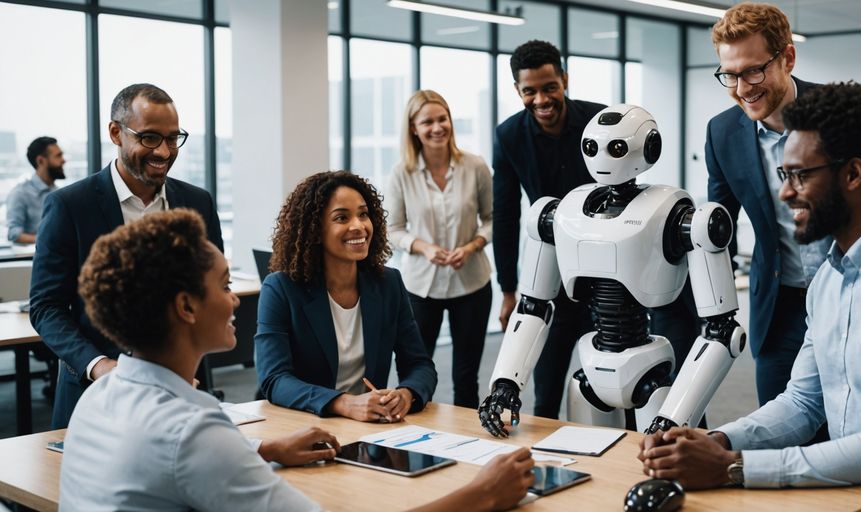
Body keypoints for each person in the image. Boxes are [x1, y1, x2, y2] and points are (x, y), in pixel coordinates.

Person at [638, 82, 861, 511]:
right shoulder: (828, 280)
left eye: (801, 176)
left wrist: (734, 467)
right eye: (785, 175)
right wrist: (718, 441)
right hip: (852, 494)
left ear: (853, 174)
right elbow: (803, 403)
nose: (785, 194)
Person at [62, 208, 536, 512]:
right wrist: (483, 494)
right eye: (225, 286)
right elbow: (192, 450)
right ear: (186, 308)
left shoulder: (102, 393)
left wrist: (263, 449)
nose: (234, 302)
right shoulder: (193, 432)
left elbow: (176, 463)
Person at [704, 3, 861, 406]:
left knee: (856, 428)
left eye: (753, 70)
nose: (742, 88)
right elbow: (718, 227)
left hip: (859, 297)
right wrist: (711, 304)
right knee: (782, 426)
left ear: (787, 57)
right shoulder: (722, 132)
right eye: (729, 75)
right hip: (780, 311)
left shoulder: (842, 114)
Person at [30, 83, 223, 429]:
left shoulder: (198, 203)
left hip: (184, 394)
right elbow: (46, 307)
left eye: (172, 137)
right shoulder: (70, 206)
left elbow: (211, 289)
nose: (164, 151)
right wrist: (99, 365)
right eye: (149, 138)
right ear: (116, 133)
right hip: (98, 397)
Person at [256, 171, 438, 422]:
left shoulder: (389, 284)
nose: (359, 226)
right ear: (315, 231)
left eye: (363, 214)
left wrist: (406, 394)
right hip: (303, 424)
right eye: (342, 217)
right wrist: (344, 403)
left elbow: (420, 365)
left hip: (369, 428)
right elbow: (274, 379)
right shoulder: (280, 288)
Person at [491, 39, 605, 419]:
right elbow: (505, 215)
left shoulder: (599, 122)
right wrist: (509, 292)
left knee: (615, 384)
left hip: (604, 275)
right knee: (545, 392)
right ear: (517, 91)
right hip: (551, 280)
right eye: (530, 91)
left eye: (549, 87)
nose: (541, 99)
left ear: (565, 80)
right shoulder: (509, 136)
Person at [386, 90, 494, 409]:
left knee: (466, 378)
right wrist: (423, 248)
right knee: (414, 375)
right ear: (414, 129)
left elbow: (493, 218)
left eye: (442, 119)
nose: (437, 127)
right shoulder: (401, 174)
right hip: (421, 287)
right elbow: (393, 230)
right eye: (427, 121)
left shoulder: (474, 166)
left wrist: (474, 246)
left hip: (471, 284)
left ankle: (470, 449)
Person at [6, 136, 65, 244]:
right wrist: (49, 241)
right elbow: (13, 234)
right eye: (58, 156)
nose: (63, 160)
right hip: (33, 257)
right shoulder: (20, 194)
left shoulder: (59, 192)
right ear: (40, 161)